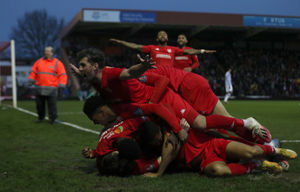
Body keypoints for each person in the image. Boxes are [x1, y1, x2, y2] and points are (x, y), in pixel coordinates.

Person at [71, 48, 271, 143]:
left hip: (189, 87)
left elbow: (130, 73)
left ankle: (257, 136)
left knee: (208, 124)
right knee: (209, 128)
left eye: (83, 65)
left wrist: (151, 103)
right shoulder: (104, 85)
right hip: (179, 89)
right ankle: (259, 142)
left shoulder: (131, 75)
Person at [139, 65, 271, 144]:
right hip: (190, 85)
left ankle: (262, 140)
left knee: (221, 125)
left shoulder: (141, 75)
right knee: (220, 129)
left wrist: (151, 105)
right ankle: (264, 144)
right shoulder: (145, 71)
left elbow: (163, 81)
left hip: (189, 87)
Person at [140, 121, 297, 178]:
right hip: (205, 161)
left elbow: (169, 146)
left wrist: (158, 173)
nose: (158, 142)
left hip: (213, 144)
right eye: (155, 142)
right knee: (218, 170)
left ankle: (275, 151)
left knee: (250, 151)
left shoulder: (171, 131)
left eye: (158, 139)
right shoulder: (157, 148)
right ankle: (256, 165)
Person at [110, 31, 215, 67]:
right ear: (157, 39)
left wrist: (202, 51)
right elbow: (135, 46)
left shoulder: (173, 49)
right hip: (155, 74)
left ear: (167, 38)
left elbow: (189, 51)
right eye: (160, 35)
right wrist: (120, 42)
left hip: (170, 76)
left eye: (164, 34)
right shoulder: (152, 48)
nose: (163, 36)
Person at [28, 46, 67, 124]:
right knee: (39, 105)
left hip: (52, 89)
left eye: (48, 51)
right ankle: (40, 117)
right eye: (45, 51)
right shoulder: (38, 62)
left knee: (52, 106)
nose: (46, 52)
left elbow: (63, 75)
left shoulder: (57, 63)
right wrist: (31, 79)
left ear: (52, 53)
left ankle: (52, 119)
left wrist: (62, 85)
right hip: (39, 88)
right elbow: (33, 72)